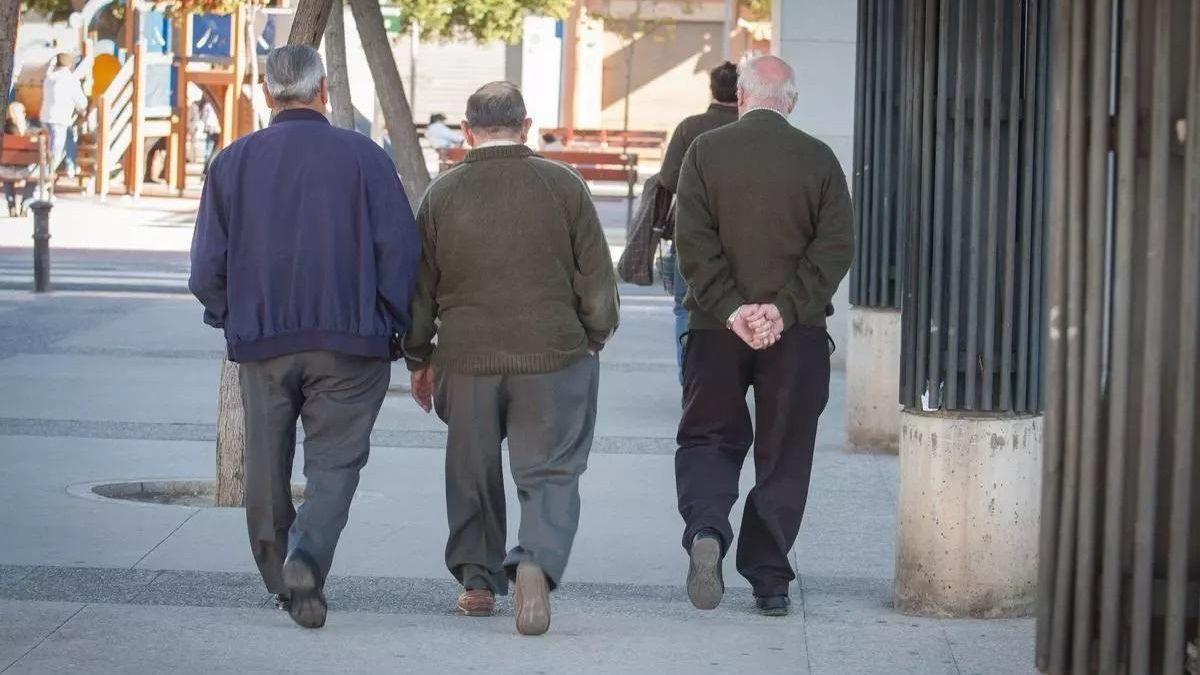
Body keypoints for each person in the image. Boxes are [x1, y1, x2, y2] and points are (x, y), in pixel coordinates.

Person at [189, 45, 420, 629]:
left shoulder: (231, 161)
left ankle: (281, 580)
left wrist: (233, 316)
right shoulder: (365, 157)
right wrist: (395, 327)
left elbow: (204, 271)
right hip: (350, 341)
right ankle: (308, 560)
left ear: (268, 94)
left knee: (266, 465)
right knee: (335, 466)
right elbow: (400, 252)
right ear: (324, 91)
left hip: (263, 340)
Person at [405, 82, 620, 636]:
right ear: (526, 125)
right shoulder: (564, 186)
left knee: (471, 468)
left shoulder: (441, 195)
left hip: (465, 356)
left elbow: (420, 291)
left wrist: (418, 357)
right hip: (553, 354)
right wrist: (595, 335)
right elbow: (596, 280)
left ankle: (477, 583)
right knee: (551, 471)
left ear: (468, 129)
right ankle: (534, 562)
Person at [673, 55, 854, 617]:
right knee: (785, 452)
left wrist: (731, 309)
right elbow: (835, 246)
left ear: (742, 97)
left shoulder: (705, 152)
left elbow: (692, 242)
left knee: (708, 437)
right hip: (796, 337)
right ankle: (770, 578)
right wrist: (784, 309)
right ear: (791, 102)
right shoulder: (818, 158)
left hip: (714, 330)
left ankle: (707, 529)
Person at [659, 61, 739, 378]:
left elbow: (667, 178)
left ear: (712, 89)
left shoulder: (690, 127)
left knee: (685, 305)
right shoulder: (750, 128)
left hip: (690, 229)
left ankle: (689, 376)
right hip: (740, 231)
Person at [38, 54, 87, 179]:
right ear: (70, 65)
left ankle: (69, 165)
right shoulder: (71, 79)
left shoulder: (49, 78)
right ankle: (46, 180)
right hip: (59, 119)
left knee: (66, 137)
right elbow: (81, 102)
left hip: (45, 117)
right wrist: (83, 111)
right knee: (56, 150)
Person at [1, 102, 42, 217]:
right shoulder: (30, 132)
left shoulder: (3, 131)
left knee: (6, 171)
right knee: (35, 174)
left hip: (7, 171)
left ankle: (11, 204)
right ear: (22, 114)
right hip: (27, 171)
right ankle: (26, 203)